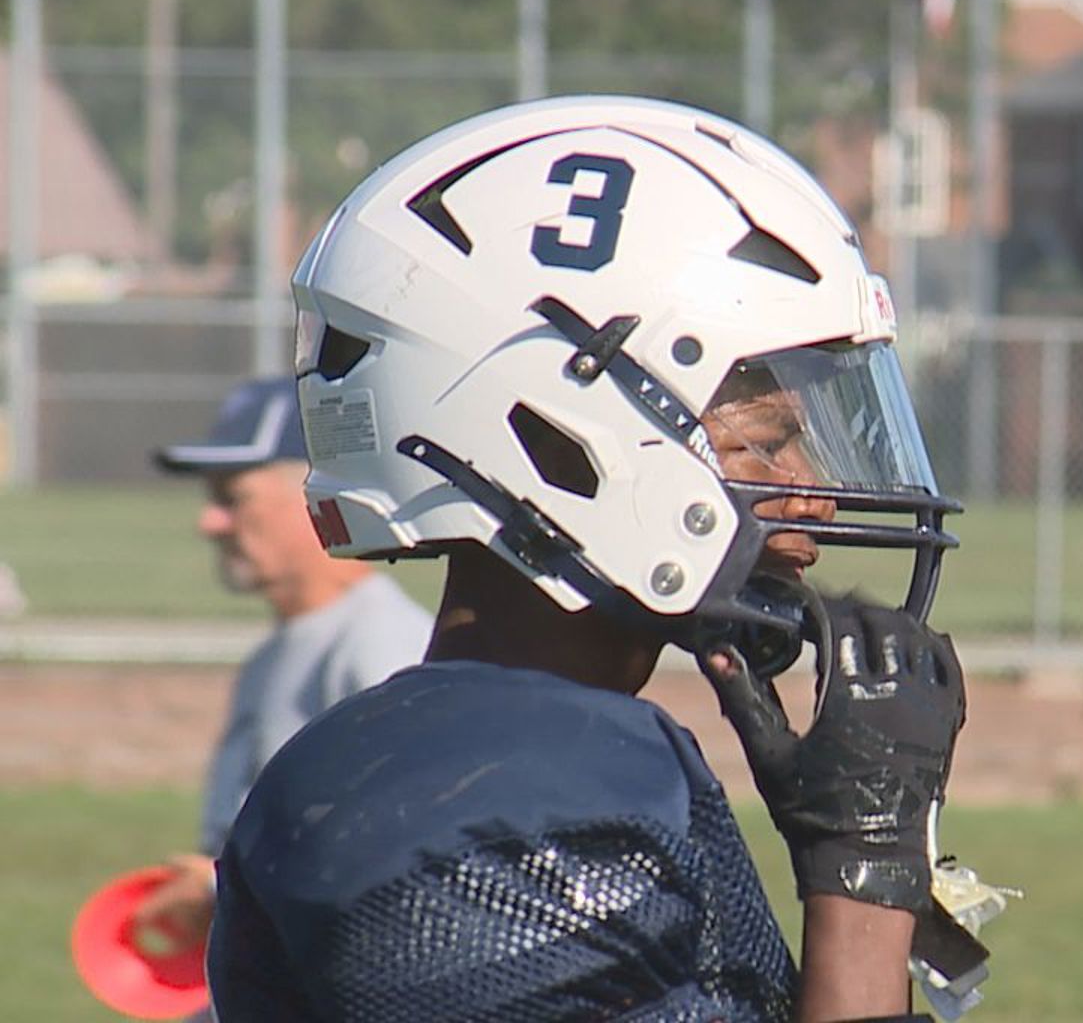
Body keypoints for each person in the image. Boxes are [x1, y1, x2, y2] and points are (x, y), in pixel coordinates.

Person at [206, 95, 974, 1022]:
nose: (811, 496)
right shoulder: (506, 793)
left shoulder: (520, 750)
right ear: (565, 440)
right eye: (767, 443)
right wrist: (863, 884)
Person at [130, 374, 431, 972]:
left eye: (232, 497)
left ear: (314, 496)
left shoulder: (382, 646)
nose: (209, 524)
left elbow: (407, 855)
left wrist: (222, 892)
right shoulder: (282, 648)